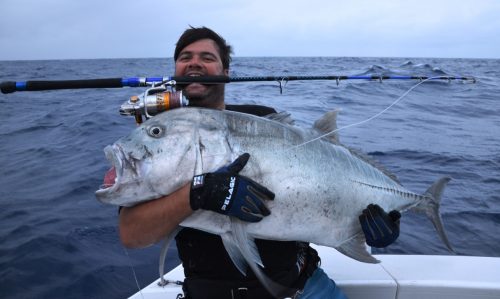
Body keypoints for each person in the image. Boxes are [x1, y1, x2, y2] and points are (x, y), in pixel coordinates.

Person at [119, 26, 401, 299]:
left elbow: (322, 180)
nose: (195, 63)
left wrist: (371, 225)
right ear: (175, 70)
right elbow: (132, 234)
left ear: (225, 72)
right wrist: (199, 192)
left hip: (304, 287)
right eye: (185, 57)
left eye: (207, 58)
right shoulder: (160, 146)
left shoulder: (264, 119)